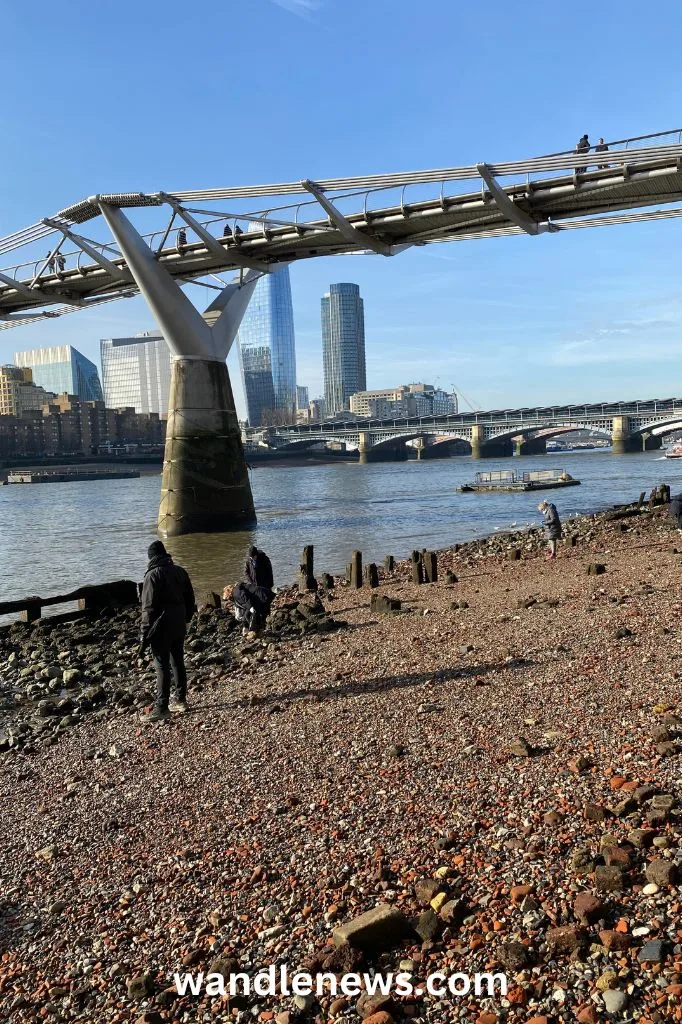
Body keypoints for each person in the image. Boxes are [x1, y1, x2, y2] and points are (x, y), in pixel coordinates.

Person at [140, 540, 196, 722]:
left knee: (162, 666)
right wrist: (185, 618)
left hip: (160, 627)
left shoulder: (152, 575)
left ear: (151, 557)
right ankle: (180, 700)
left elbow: (148, 608)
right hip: (179, 624)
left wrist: (144, 634)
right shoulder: (180, 571)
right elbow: (190, 599)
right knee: (178, 661)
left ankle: (162, 707)